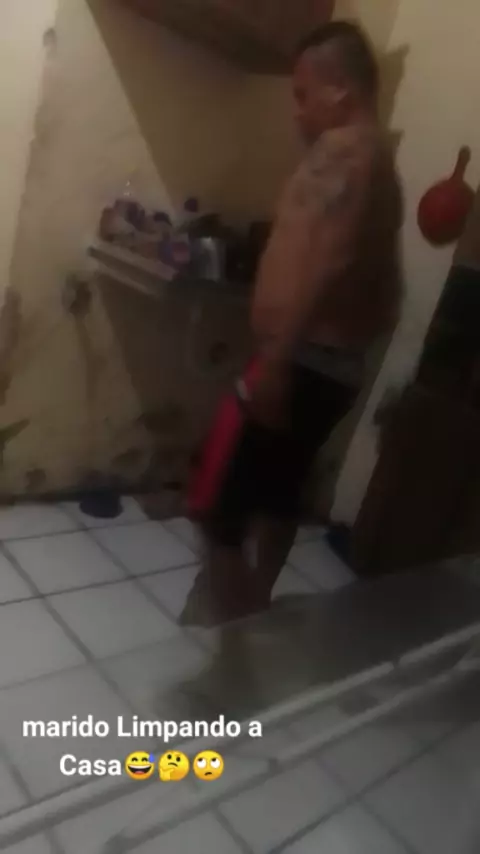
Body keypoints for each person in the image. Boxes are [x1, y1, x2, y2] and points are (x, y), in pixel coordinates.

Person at [181, 21, 403, 627]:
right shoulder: (378, 157)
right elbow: (385, 286)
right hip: (329, 363)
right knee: (278, 495)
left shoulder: (344, 150)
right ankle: (256, 615)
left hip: (299, 360)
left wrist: (277, 361)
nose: (297, 111)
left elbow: (331, 258)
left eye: (303, 95)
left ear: (340, 90)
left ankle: (233, 641)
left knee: (218, 508)